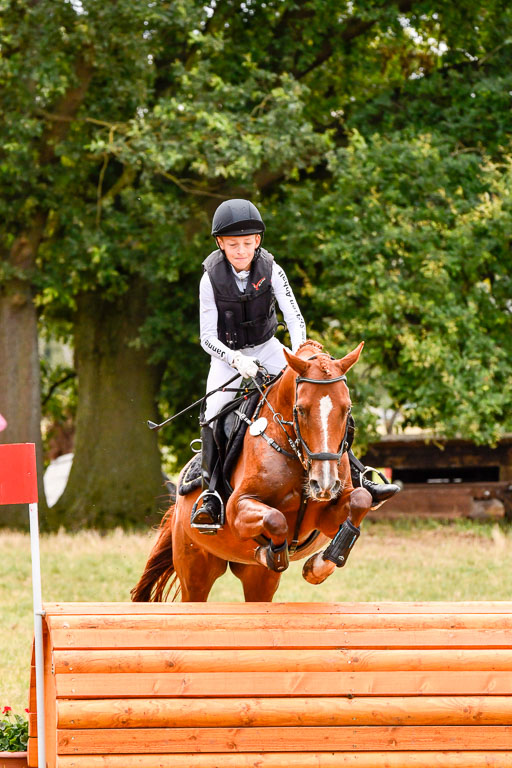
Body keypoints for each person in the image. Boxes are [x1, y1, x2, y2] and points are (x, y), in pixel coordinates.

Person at [192, 198, 399, 532]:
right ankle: (211, 495)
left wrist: (302, 356)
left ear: (257, 241)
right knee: (213, 411)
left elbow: (294, 316)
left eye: (247, 243)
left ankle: (360, 475)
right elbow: (206, 337)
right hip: (227, 356)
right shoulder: (210, 279)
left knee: (318, 398)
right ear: (220, 244)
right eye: (233, 245)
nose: (241, 251)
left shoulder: (272, 269)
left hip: (269, 348)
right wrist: (236, 360)